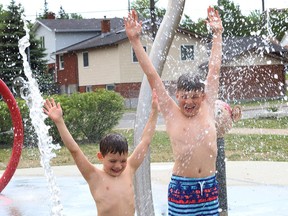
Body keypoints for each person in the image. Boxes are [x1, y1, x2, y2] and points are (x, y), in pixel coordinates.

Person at [125, 6, 223, 215]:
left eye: (195, 97)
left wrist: (217, 34)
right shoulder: (171, 112)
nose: (189, 102)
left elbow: (214, 69)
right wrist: (134, 40)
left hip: (209, 188)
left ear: (203, 96)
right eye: (185, 97)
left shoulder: (208, 106)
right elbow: (152, 74)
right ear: (177, 96)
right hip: (182, 189)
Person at [43, 89, 159, 216]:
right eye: (112, 161)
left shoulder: (129, 168)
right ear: (101, 157)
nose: (118, 166)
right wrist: (59, 121)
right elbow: (74, 150)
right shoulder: (94, 176)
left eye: (123, 161)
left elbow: (145, 142)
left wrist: (154, 112)